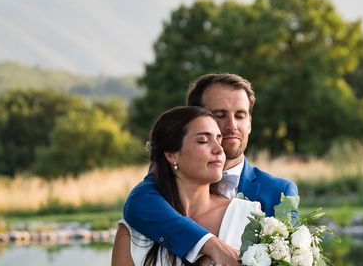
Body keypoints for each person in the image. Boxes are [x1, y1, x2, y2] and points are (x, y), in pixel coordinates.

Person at [123, 73, 298, 266]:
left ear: (250, 122)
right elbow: (137, 204)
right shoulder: (159, 185)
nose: (231, 125)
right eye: (219, 115)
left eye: (240, 115)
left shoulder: (278, 193)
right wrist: (210, 244)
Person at [112, 106, 261, 266]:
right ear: (172, 154)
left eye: (219, 139)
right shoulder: (132, 233)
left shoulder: (249, 216)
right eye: (203, 140)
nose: (219, 149)